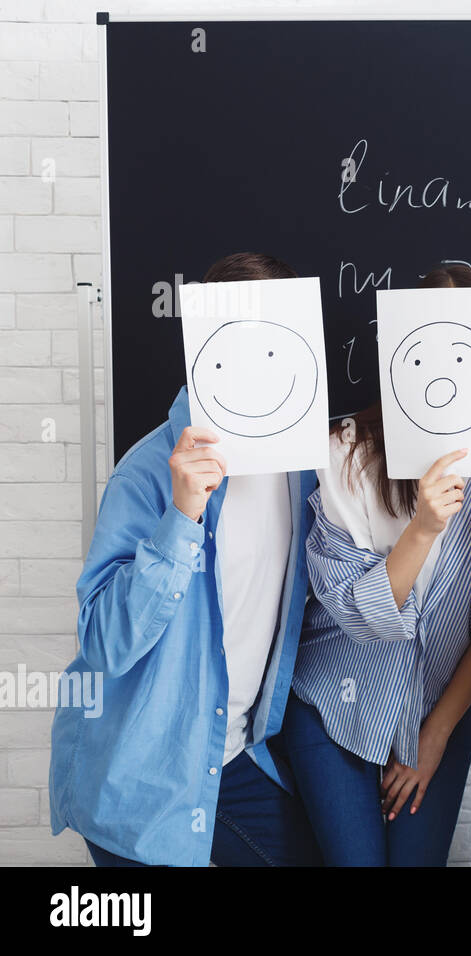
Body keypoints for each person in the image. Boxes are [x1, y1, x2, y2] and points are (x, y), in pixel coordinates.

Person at [49, 252, 322, 866]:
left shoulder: (302, 471)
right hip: (142, 774)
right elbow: (104, 643)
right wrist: (182, 519)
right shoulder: (147, 474)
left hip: (235, 757)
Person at [280, 264, 471, 866]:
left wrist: (437, 734)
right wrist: (422, 529)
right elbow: (355, 610)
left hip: (441, 705)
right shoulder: (345, 452)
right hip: (336, 706)